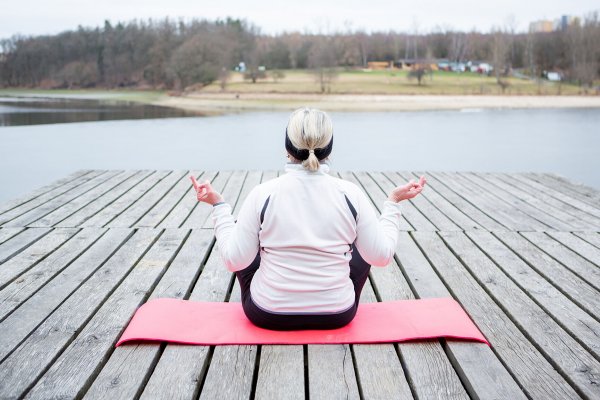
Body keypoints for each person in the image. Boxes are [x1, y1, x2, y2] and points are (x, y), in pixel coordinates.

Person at [191, 107, 426, 331]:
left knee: (247, 249)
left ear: (287, 147)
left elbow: (234, 261)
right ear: (329, 149)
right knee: (363, 249)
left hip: (268, 314)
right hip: (337, 314)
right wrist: (393, 203)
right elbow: (381, 256)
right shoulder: (351, 194)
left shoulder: (262, 194)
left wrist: (219, 206)